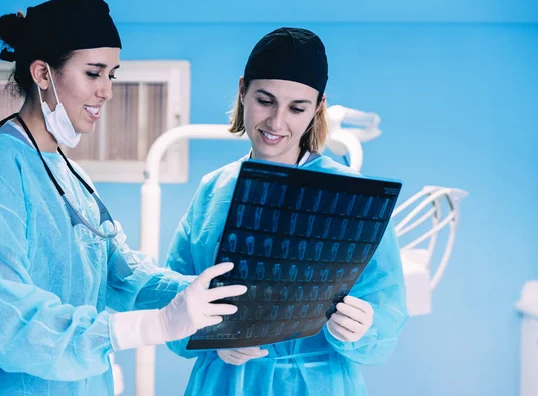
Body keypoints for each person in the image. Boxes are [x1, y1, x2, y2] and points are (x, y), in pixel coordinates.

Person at [0, 0, 246, 395]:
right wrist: (154, 326)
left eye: (112, 75)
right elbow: (12, 321)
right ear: (42, 74)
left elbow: (122, 277)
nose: (106, 91)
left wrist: (199, 297)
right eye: (93, 73)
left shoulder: (72, 177)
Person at [166, 27, 408, 395]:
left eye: (297, 108)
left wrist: (363, 328)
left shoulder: (349, 196)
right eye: (265, 100)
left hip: (317, 384)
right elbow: (174, 294)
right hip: (222, 383)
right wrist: (214, 337)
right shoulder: (212, 191)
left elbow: (386, 304)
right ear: (243, 90)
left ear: (317, 109)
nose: (277, 123)